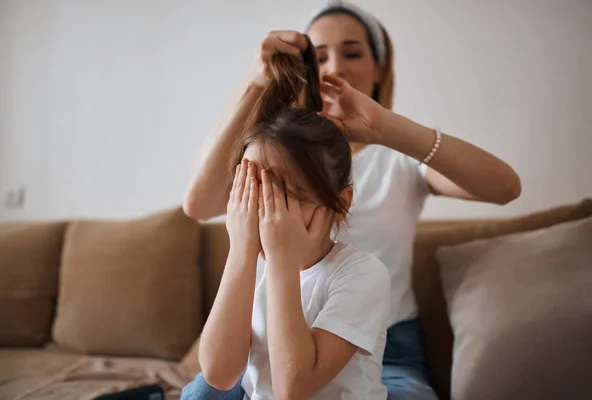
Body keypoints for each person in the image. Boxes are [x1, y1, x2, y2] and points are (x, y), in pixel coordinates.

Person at [183, 1, 521, 399]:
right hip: (272, 340)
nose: (335, 67)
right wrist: (256, 82)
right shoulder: (267, 157)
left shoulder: (398, 161)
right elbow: (198, 205)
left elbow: (504, 187)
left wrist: (383, 127)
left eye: (352, 52)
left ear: (379, 68)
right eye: (320, 56)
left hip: (382, 342)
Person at [182, 37, 391, 399]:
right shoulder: (253, 263)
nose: (269, 217)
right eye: (256, 194)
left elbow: (292, 388)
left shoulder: (362, 274)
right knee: (199, 391)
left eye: (287, 199)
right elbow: (219, 373)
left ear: (339, 203)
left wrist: (282, 259)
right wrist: (240, 251)